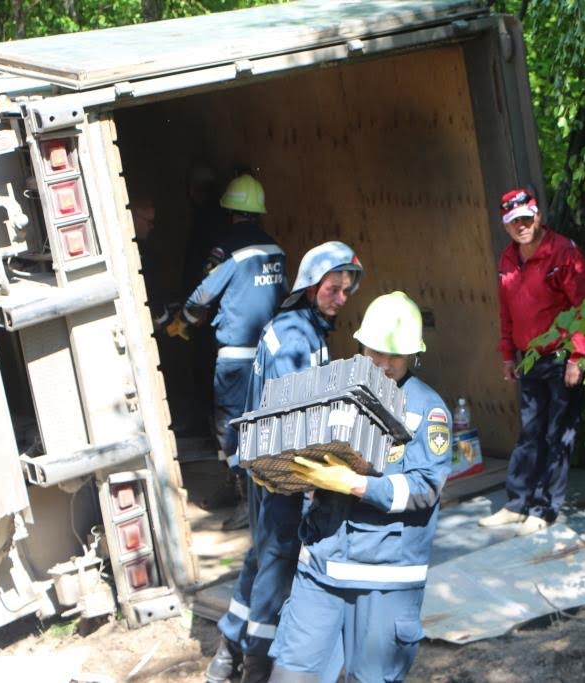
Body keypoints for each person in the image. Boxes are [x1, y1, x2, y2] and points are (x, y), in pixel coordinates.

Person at [267, 291, 451, 683]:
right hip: (321, 567)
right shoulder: (337, 395)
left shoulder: (426, 411)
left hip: (384, 581)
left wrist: (357, 485)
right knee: (291, 675)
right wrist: (281, 471)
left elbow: (424, 488)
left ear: (413, 355)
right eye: (374, 353)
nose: (382, 365)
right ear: (361, 345)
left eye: (393, 356)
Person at [207, 241, 363, 683]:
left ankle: (226, 652)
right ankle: (256, 664)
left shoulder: (300, 327)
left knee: (262, 555)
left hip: (268, 463)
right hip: (280, 470)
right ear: (311, 286)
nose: (341, 298)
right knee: (277, 559)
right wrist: (316, 472)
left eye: (346, 290)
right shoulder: (296, 336)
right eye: (334, 288)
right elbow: (294, 414)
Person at [479, 188, 585, 536]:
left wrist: (578, 356)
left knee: (556, 434)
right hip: (529, 359)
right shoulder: (507, 259)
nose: (522, 226)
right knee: (530, 433)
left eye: (526, 218)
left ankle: (544, 509)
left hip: (562, 358)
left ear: (538, 216)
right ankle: (517, 504)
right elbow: (507, 312)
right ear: (506, 225)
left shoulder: (563, 252)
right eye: (514, 221)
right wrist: (507, 354)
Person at [167, 174, 286, 529]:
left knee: (229, 427)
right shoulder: (275, 249)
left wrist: (184, 320)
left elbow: (203, 294)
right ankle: (247, 490)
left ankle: (246, 498)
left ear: (230, 213)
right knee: (263, 423)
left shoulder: (227, 250)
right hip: (269, 355)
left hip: (235, 356)